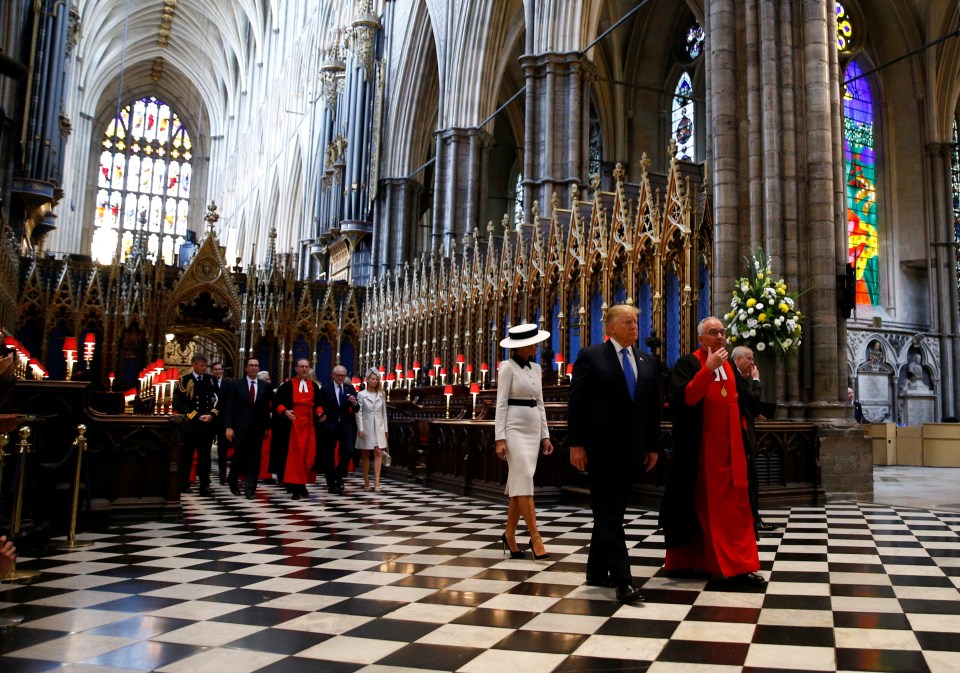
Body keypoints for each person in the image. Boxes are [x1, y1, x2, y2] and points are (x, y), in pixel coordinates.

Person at [568, 304, 661, 604]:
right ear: (610, 328)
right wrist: (576, 444)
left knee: (612, 513)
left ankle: (596, 572)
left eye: (636, 321)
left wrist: (652, 446)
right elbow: (577, 405)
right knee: (609, 515)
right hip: (601, 450)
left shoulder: (646, 360)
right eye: (627, 322)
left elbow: (651, 410)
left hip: (632, 452)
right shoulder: (592, 356)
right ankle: (624, 581)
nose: (634, 327)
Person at [659, 317, 764, 585]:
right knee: (708, 511)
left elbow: (740, 402)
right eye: (713, 332)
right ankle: (711, 563)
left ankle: (737, 563)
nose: (719, 337)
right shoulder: (688, 363)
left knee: (733, 511)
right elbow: (685, 399)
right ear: (701, 339)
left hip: (731, 453)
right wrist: (707, 369)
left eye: (722, 332)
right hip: (702, 453)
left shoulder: (729, 365)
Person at [495, 324, 555, 560]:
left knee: (520, 483)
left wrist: (545, 434)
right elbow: (501, 403)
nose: (537, 345)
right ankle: (535, 537)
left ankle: (509, 535)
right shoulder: (507, 367)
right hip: (513, 428)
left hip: (532, 428)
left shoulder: (536, 367)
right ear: (522, 346)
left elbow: (540, 403)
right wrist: (500, 438)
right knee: (525, 480)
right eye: (533, 342)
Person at [731, 346, 777, 534]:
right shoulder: (739, 380)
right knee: (750, 478)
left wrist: (755, 412)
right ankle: (753, 519)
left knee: (752, 478)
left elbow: (747, 404)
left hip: (745, 433)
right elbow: (753, 398)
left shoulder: (738, 379)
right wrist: (757, 380)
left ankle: (754, 517)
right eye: (749, 359)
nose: (752, 363)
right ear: (738, 360)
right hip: (741, 437)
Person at [270, 358, 326, 499]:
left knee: (307, 455)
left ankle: (302, 484)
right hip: (293, 426)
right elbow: (278, 403)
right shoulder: (287, 386)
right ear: (296, 369)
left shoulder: (313, 386)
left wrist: (320, 413)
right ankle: (295, 486)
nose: (304, 369)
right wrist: (285, 412)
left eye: (306, 367)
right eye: (301, 367)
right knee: (294, 457)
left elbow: (318, 404)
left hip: (309, 425)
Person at [224, 358, 274, 499]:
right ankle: (232, 481)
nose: (253, 368)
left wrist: (266, 427)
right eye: (251, 365)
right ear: (246, 368)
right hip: (240, 427)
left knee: (254, 459)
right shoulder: (236, 385)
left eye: (256, 366)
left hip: (257, 428)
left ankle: (250, 488)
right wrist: (228, 427)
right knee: (238, 457)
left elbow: (266, 409)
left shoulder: (265, 386)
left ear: (258, 368)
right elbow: (230, 408)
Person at [172, 353, 220, 496]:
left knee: (205, 457)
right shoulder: (185, 380)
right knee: (187, 456)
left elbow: (217, 399)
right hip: (191, 426)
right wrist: (196, 416)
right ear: (194, 364)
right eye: (201, 365)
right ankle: (184, 484)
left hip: (206, 426)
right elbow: (179, 403)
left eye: (205, 365)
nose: (204, 368)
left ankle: (204, 486)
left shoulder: (210, 380)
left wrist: (212, 414)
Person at [316, 364, 359, 495]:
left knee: (349, 450)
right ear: (333, 375)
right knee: (329, 455)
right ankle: (331, 483)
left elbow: (357, 409)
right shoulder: (325, 389)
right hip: (330, 424)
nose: (341, 377)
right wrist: (321, 415)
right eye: (338, 375)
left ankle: (338, 475)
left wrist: (354, 402)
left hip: (345, 425)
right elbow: (319, 405)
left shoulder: (350, 388)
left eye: (343, 375)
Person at [356, 368, 389, 492]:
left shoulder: (381, 394)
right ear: (367, 380)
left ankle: (376, 481)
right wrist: (360, 428)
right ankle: (366, 479)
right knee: (365, 453)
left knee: (378, 452)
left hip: (379, 426)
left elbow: (384, 412)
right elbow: (358, 413)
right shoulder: (361, 394)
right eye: (372, 379)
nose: (375, 381)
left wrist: (385, 428)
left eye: (376, 379)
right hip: (367, 426)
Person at [211, 361, 231, 484]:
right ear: (212, 370)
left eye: (219, 369)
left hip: (222, 421)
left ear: (222, 370)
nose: (218, 371)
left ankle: (222, 475)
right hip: (210, 420)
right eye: (215, 369)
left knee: (222, 449)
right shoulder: (208, 382)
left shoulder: (227, 384)